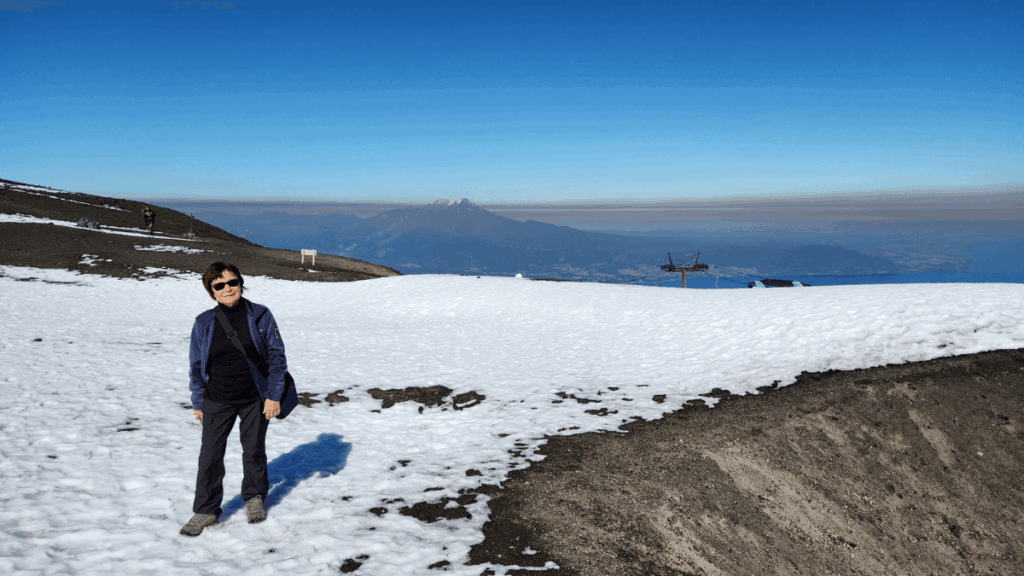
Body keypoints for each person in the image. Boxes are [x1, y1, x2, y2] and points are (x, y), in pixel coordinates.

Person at [180, 262, 288, 537]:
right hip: (216, 398)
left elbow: (277, 357)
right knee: (210, 456)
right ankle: (206, 510)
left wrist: (273, 396)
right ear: (211, 291)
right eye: (219, 285)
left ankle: (254, 498)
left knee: (253, 449)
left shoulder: (260, 314)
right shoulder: (204, 322)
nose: (227, 288)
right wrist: (198, 401)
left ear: (241, 283)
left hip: (254, 397)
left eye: (232, 282)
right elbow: (195, 365)